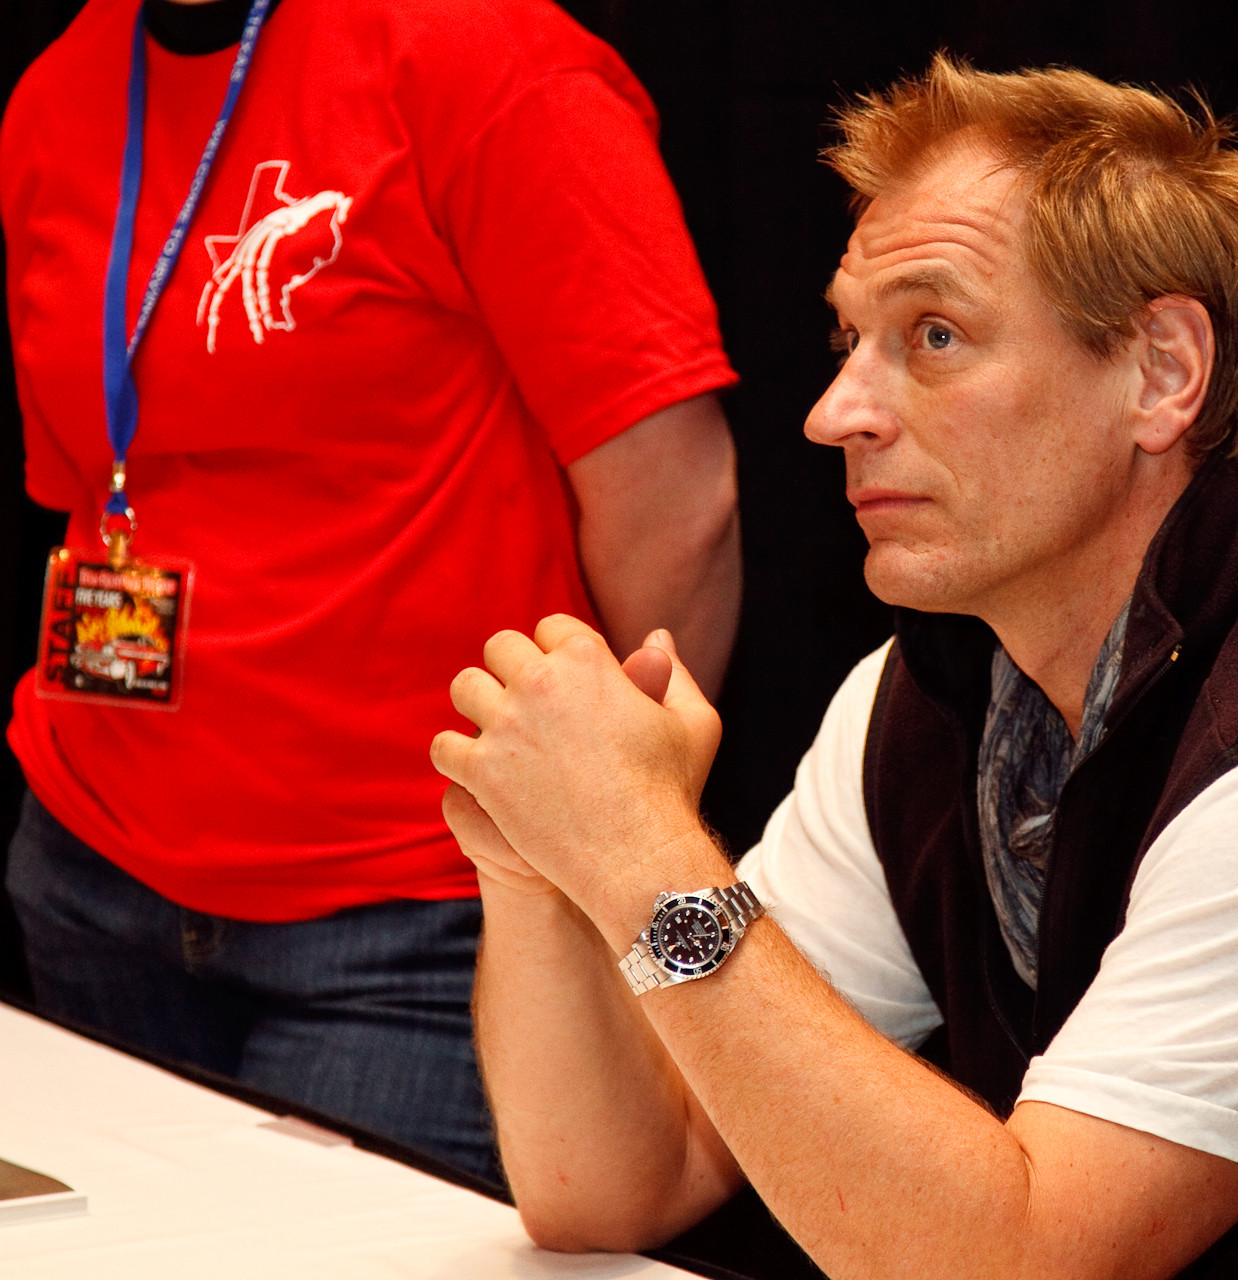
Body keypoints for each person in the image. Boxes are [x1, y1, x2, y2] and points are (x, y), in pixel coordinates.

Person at [434, 57, 1238, 1276]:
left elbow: (1020, 1262)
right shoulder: (927, 698)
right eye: (850, 339)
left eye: (934, 335)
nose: (836, 412)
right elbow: (614, 1188)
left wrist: (644, 851)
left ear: (1162, 373)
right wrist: (538, 864)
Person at [0, 0, 738, 1184]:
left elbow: (677, 501)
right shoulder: (60, 87)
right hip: (91, 870)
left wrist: (615, 837)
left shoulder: (484, 55)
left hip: (412, 916)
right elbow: (96, 481)